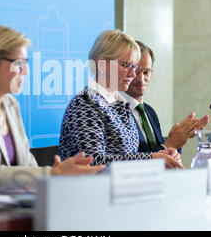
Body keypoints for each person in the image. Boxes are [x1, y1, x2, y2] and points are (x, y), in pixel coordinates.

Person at [0, 25, 104, 196]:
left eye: (26, 63)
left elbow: (28, 165)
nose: (26, 71)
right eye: (19, 64)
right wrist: (52, 174)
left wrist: (54, 176)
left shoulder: (10, 104)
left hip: (13, 205)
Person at [58, 29, 183, 169]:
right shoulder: (85, 104)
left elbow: (130, 155)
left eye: (134, 66)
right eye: (125, 65)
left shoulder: (120, 104)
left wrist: (163, 154)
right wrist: (152, 159)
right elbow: (93, 162)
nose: (132, 73)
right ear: (102, 65)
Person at [121, 41, 209, 153]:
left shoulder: (149, 111)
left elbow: (157, 152)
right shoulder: (116, 112)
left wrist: (178, 140)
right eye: (136, 71)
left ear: (152, 73)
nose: (140, 79)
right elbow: (130, 163)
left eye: (146, 72)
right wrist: (170, 144)